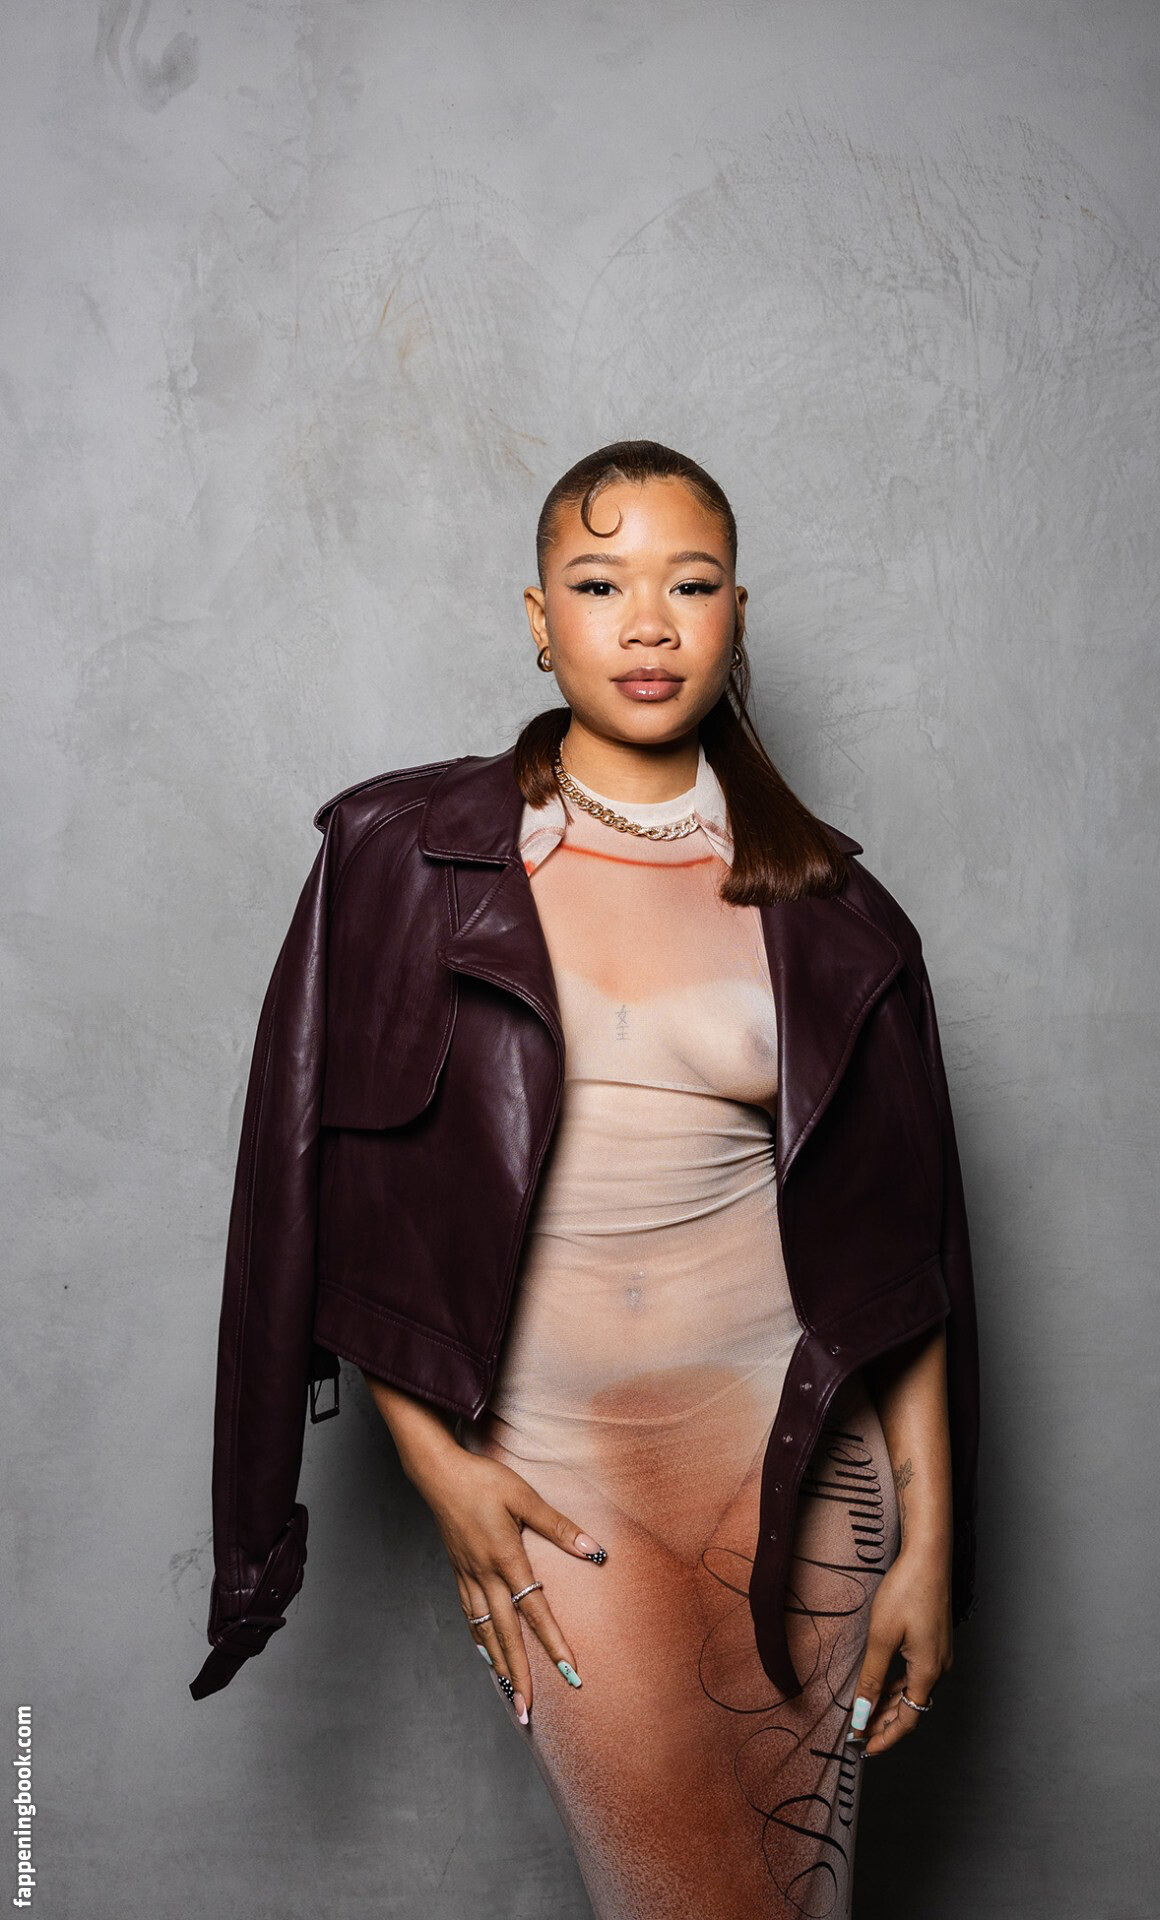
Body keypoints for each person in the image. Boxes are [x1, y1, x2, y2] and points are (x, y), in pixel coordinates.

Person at [191, 439, 979, 1920]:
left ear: (737, 615)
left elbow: (904, 1265)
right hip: (555, 1485)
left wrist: (934, 1543)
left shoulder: (838, 911)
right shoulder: (400, 859)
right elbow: (323, 1198)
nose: (649, 624)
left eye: (693, 585)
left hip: (800, 1475)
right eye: (602, 584)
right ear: (538, 619)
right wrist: (438, 1464)